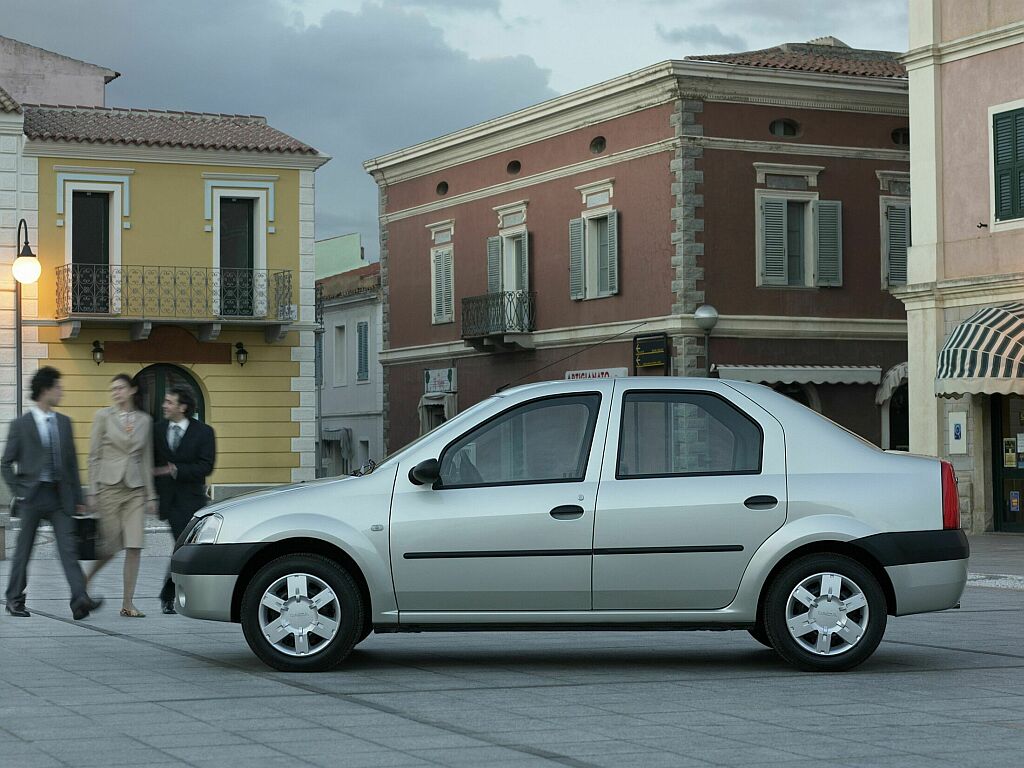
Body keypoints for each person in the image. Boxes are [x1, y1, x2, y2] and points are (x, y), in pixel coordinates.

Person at [2, 366, 103, 620]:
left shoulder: (63, 423)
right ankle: (14, 599)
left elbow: (71, 464)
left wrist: (79, 500)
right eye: (58, 387)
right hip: (32, 497)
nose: (61, 392)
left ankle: (80, 600)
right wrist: (19, 490)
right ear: (45, 390)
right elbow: (5, 463)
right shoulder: (21, 425)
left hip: (60, 497)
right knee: (24, 551)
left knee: (69, 549)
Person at [84, 374, 159, 618]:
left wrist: (151, 495)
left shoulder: (145, 421)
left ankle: (128, 603)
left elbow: (146, 458)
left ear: (132, 390)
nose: (116, 392)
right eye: (113, 389)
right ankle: (85, 581)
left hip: (135, 488)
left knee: (134, 546)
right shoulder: (103, 417)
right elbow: (93, 455)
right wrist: (92, 490)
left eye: (120, 388)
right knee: (109, 546)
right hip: (109, 487)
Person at [154, 385, 215, 614]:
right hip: (169, 501)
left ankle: (171, 594)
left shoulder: (204, 432)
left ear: (183, 407)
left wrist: (176, 469)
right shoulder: (157, 430)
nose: (164, 405)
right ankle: (170, 595)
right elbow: (149, 463)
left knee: (186, 548)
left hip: (192, 500)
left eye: (169, 402)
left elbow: (206, 466)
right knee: (183, 547)